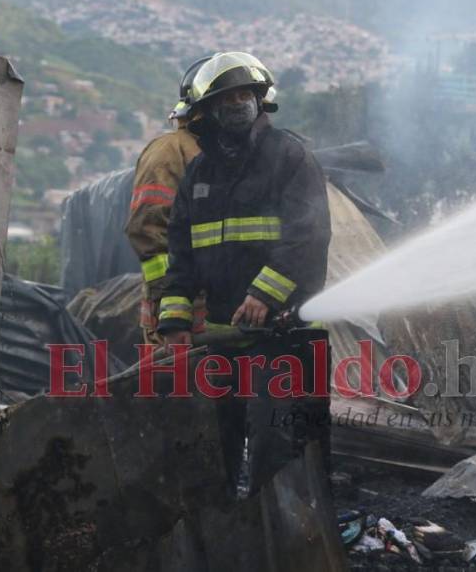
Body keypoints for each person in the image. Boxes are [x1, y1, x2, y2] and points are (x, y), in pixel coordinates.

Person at [157, 52, 332, 494]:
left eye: (245, 94)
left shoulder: (289, 157)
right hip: (222, 341)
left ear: (260, 100)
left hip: (285, 337)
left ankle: (288, 548)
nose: (238, 103)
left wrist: (265, 295)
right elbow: (179, 254)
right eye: (226, 97)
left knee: (281, 456)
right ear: (205, 113)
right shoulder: (199, 174)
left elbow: (306, 237)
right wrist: (174, 322)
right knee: (214, 453)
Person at [125, 56, 211, 344]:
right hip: (180, 322)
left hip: (220, 321)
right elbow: (148, 232)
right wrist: (172, 309)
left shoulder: (225, 154)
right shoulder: (169, 152)